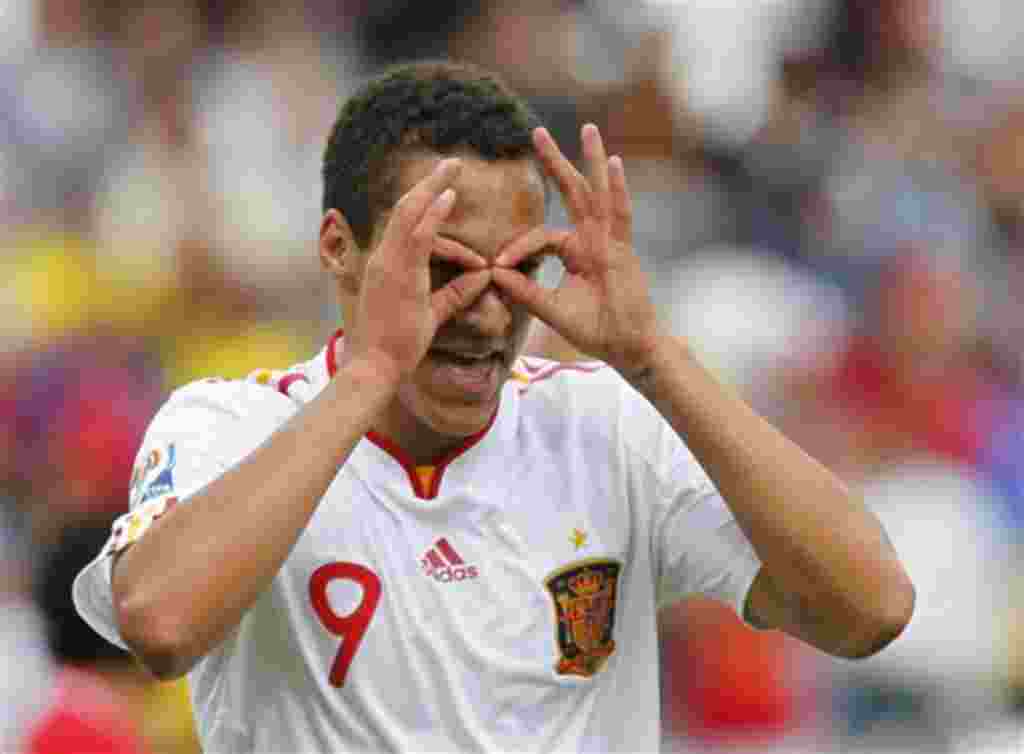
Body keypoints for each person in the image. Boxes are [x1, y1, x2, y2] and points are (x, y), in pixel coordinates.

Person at [72, 60, 914, 753]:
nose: (484, 312)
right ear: (339, 248)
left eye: (517, 271)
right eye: (445, 268)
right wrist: (372, 373)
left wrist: (654, 356)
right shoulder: (229, 424)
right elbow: (160, 622)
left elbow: (869, 610)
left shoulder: (605, 427)